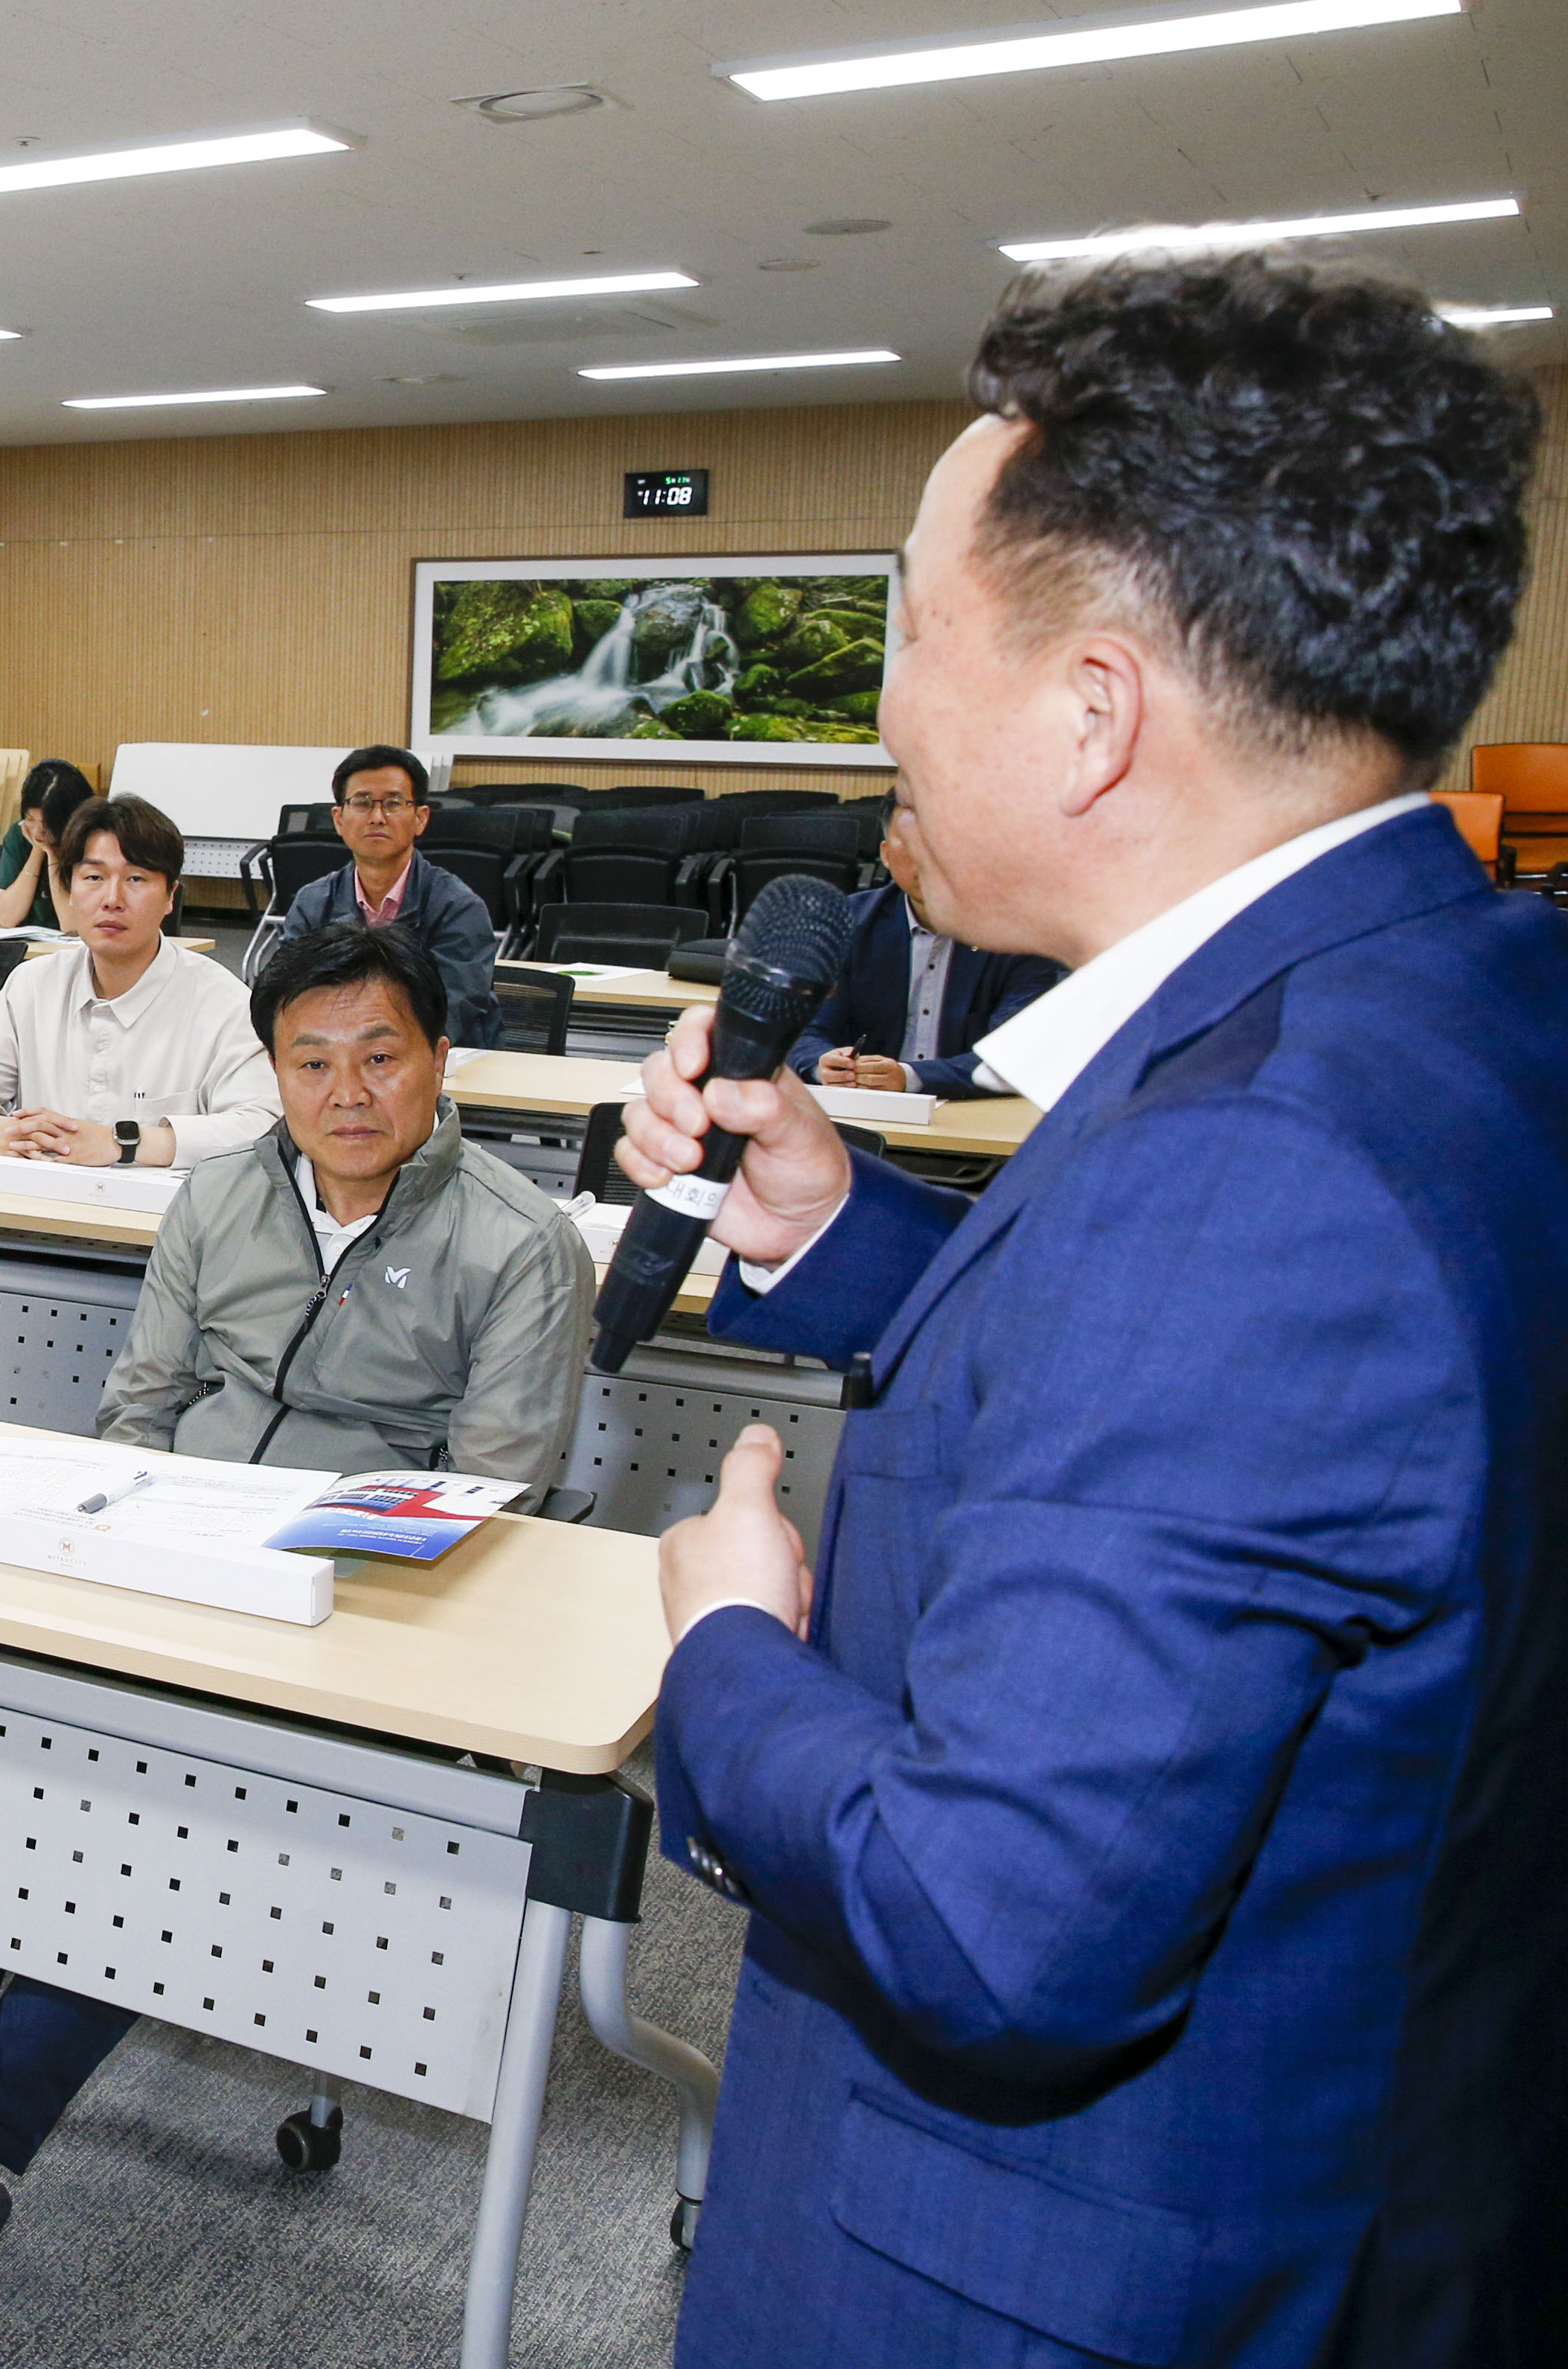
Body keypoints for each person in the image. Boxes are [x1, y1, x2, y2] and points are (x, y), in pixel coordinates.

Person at [621, 252, 1567, 2362]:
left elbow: (988, 1925)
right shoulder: (1445, 1005)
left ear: (1093, 709)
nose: (880, 709)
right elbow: (1244, 1441)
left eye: (909, 630)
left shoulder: (1257, 1169)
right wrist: (841, 1230)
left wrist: (727, 1652)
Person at [0, 917, 594, 2325]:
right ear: (272, 1073)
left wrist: (288, 1586)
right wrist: (128, 1548)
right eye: (310, 1061)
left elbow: (482, 1500)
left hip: (350, 1624)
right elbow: (139, 1406)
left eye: (380, 1056)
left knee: (162, 1828)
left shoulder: (520, 1244)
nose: (347, 1092)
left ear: (440, 1060)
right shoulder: (220, 1200)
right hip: (165, 1576)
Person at [0, 793, 278, 1169]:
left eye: (136, 878)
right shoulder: (33, 985)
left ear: (170, 896)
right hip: (39, 1197)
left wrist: (125, 1143)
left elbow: (263, 1124)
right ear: (70, 890)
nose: (112, 899)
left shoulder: (224, 1002)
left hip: (165, 1206)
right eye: (94, 878)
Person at [784, 805, 1060, 1099]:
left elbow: (1013, 1055)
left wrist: (910, 1077)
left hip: (970, 1114)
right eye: (913, 841)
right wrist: (823, 1065)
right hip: (861, 1111)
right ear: (886, 854)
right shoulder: (843, 922)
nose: (930, 856)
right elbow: (804, 1030)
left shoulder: (1021, 935)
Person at [254, 745, 499, 1047]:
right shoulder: (313, 904)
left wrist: (373, 1051)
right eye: (363, 803)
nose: (378, 817)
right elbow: (285, 995)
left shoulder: (458, 907)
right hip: (336, 1055)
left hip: (437, 1062)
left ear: (420, 818)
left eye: (393, 803)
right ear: (339, 819)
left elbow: (452, 1011)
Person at [0, 758, 93, 933]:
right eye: (30, 819)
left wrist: (52, 855)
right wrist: (38, 851)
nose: (37, 832)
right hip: (32, 945)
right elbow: (7, 918)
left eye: (47, 824)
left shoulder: (92, 840)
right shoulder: (20, 834)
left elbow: (71, 927)